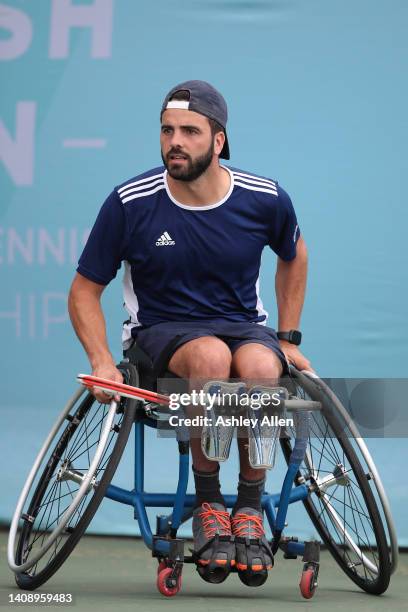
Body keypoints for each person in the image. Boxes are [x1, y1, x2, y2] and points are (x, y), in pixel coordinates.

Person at [68, 80, 311, 584]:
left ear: (218, 141)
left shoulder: (264, 199)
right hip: (161, 333)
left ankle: (247, 506)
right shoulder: (130, 202)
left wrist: (288, 338)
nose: (174, 141)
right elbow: (83, 290)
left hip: (244, 328)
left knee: (264, 367)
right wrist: (101, 361)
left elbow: (295, 256)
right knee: (210, 360)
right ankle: (208, 504)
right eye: (167, 130)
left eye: (189, 131)